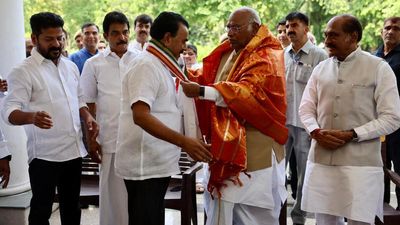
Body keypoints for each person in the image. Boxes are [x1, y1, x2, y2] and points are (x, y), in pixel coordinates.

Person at [181, 7, 288, 225]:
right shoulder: (229, 51)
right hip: (224, 145)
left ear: (255, 28)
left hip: (256, 146)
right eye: (228, 27)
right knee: (222, 209)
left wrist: (201, 92)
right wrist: (180, 68)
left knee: (253, 215)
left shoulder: (268, 55)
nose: (230, 32)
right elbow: (204, 77)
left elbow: (247, 94)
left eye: (236, 27)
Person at [299, 14, 400, 225]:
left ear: (353, 37)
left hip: (361, 164)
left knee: (359, 221)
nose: (326, 41)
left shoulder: (378, 68)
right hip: (322, 160)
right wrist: (316, 131)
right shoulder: (320, 69)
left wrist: (352, 134)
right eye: (326, 35)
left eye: (333, 35)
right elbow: (306, 109)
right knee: (324, 221)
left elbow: (392, 118)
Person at [115, 11, 212, 225]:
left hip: (155, 162)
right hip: (144, 165)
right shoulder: (146, 65)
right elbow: (140, 116)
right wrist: (184, 141)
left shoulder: (159, 65)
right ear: (167, 38)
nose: (185, 47)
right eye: (182, 40)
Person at [1, 12, 96, 225]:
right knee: (41, 211)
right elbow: (9, 112)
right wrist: (31, 117)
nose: (57, 44)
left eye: (60, 38)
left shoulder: (70, 66)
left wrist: (87, 115)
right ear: (34, 39)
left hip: (73, 151)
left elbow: (79, 99)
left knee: (72, 209)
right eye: (49, 39)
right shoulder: (23, 71)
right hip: (45, 157)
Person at [80, 11, 140, 225]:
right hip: (110, 141)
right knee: (112, 199)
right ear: (106, 35)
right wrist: (91, 139)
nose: (122, 37)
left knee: (138, 201)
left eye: (125, 32)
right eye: (115, 33)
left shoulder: (141, 61)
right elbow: (87, 104)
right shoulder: (94, 64)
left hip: (138, 141)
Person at [284, 11, 328, 225]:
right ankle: (275, 214)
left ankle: (298, 218)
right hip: (282, 123)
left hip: (305, 125)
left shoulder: (319, 56)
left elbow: (324, 92)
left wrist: (316, 125)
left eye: (295, 25)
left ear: (306, 28)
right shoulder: (282, 54)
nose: (290, 29)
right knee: (275, 171)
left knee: (303, 175)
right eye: (288, 26)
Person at [375, 16, 400, 209]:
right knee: (378, 169)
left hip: (398, 125)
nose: (390, 31)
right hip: (377, 123)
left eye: (396, 29)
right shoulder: (375, 56)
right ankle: (379, 210)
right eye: (387, 28)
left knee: (398, 171)